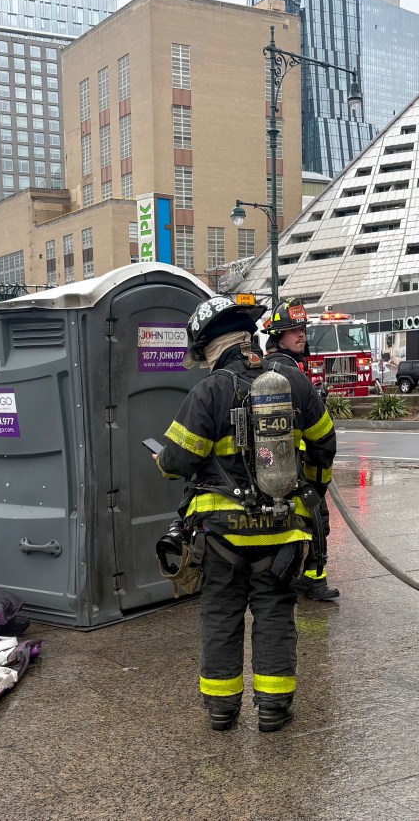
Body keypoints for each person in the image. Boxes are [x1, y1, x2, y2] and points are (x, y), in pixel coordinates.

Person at [155, 295, 336, 733]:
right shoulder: (293, 383)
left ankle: (222, 709)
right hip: (282, 529)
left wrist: (162, 461)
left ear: (208, 347)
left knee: (221, 614)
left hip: (222, 535)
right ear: (248, 338)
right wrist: (309, 488)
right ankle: (273, 707)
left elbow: (175, 462)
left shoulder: (208, 392)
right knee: (275, 612)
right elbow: (324, 444)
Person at [262, 298, 340, 602]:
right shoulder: (286, 369)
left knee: (306, 520)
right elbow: (319, 434)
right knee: (315, 517)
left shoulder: (279, 366)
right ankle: (312, 579)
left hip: (285, 460)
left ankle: (306, 577)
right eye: (293, 330)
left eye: (302, 329)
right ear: (278, 336)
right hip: (298, 462)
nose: (301, 335)